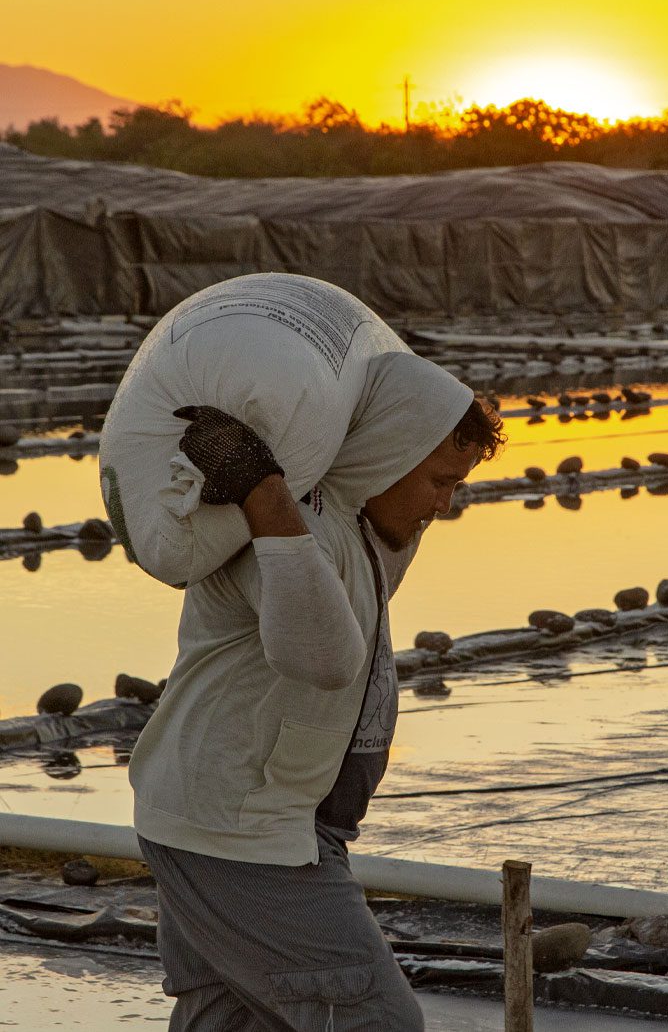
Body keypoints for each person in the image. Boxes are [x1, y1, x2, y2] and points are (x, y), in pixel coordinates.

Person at [129, 351, 505, 1031]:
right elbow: (325, 655)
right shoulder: (278, 528)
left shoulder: (355, 526)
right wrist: (261, 489)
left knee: (230, 1022)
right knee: (375, 1022)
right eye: (441, 482)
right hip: (239, 834)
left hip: (262, 821)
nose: (447, 505)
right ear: (388, 455)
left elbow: (376, 540)